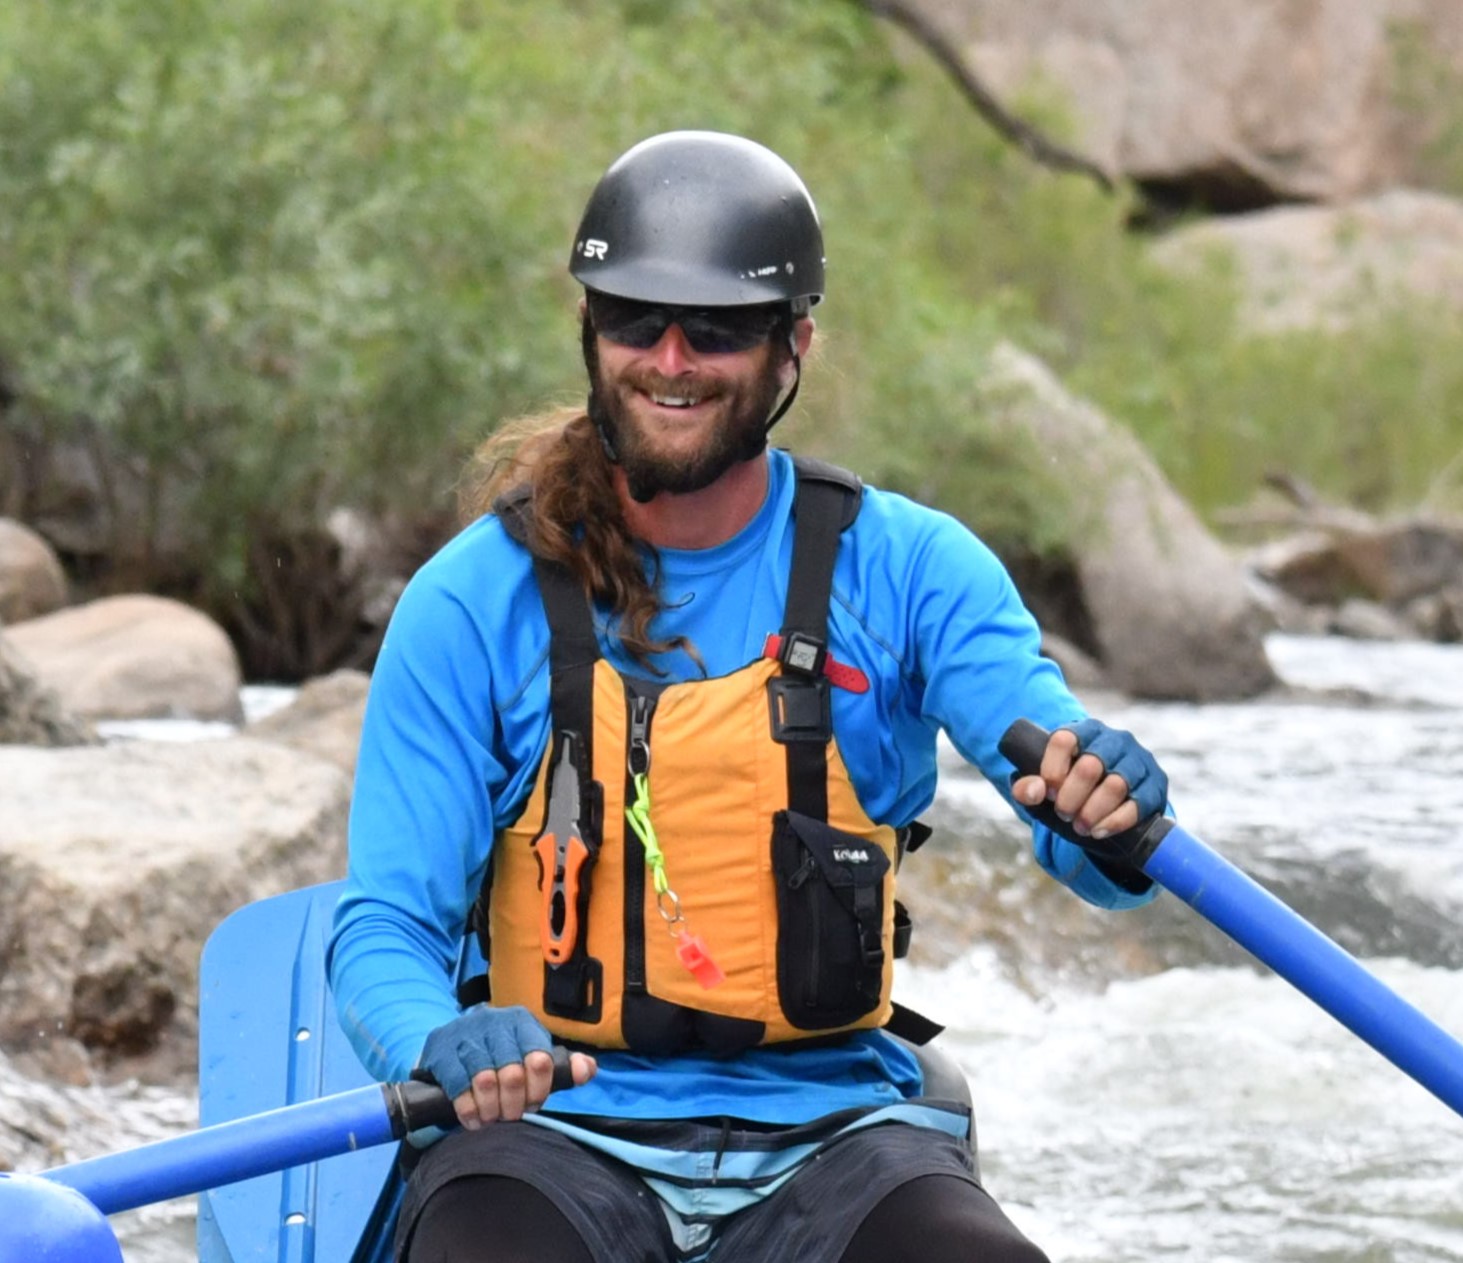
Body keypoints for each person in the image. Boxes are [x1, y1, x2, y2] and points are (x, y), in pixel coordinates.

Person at [328, 130, 1170, 1263]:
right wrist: (436, 1035)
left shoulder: (909, 567)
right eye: (635, 319)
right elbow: (384, 925)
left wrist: (1104, 811)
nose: (669, 360)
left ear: (791, 348)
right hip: (552, 1133)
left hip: (837, 1131)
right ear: (591, 330)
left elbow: (1066, 808)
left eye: (716, 330)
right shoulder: (471, 599)